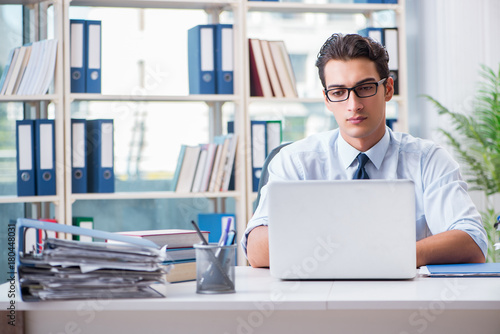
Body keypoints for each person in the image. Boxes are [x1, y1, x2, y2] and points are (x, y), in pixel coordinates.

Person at [241, 33, 487, 268]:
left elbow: (472, 241)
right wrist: (354, 256)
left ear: (388, 89)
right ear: (327, 99)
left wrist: (385, 257)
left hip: (404, 302)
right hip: (317, 301)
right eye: (338, 92)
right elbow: (257, 247)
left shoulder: (428, 160)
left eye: (366, 88)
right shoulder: (296, 162)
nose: (354, 105)